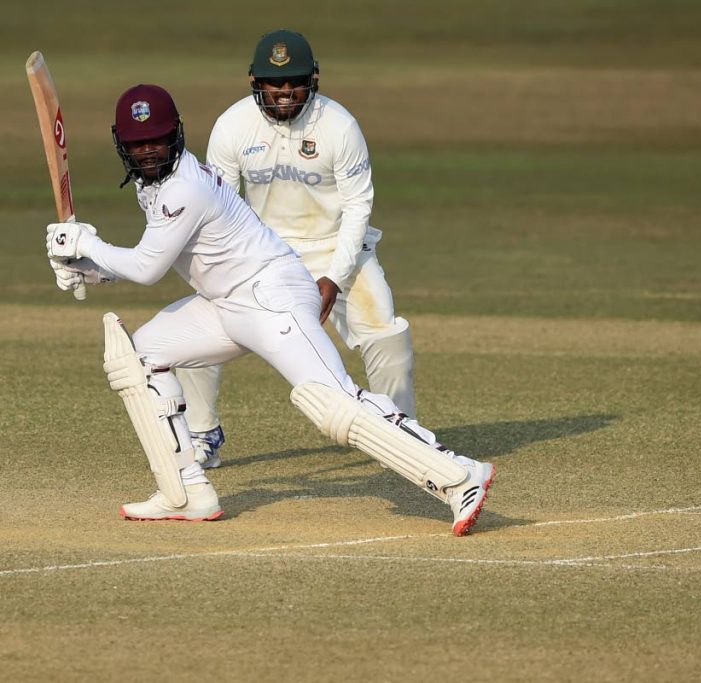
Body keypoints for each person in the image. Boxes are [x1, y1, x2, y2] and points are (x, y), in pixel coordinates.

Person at [44, 84, 493, 536]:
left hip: (271, 296)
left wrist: (88, 244)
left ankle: (458, 475)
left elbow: (146, 268)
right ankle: (185, 492)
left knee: (331, 403)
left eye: (157, 139)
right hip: (225, 304)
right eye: (138, 143)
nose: (148, 151)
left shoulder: (184, 186)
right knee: (138, 357)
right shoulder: (154, 184)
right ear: (121, 144)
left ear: (176, 134)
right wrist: (86, 267)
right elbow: (162, 254)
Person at [176, 29, 416, 469]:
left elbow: (358, 207)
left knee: (387, 333)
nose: (285, 92)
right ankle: (201, 432)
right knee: (195, 328)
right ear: (254, 81)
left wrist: (335, 277)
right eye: (274, 82)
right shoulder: (232, 126)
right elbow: (220, 207)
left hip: (337, 247)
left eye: (295, 81)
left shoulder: (339, 125)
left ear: (314, 79)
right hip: (264, 252)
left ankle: (402, 438)